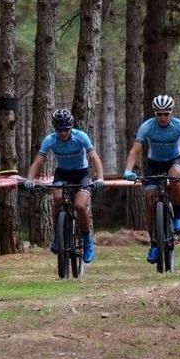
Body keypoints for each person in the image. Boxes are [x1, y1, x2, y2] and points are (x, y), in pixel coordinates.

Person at [122, 94, 180, 264]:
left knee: (175, 178)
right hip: (153, 163)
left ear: (171, 112)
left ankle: (178, 217)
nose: (163, 117)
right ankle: (154, 243)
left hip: (174, 160)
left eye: (166, 114)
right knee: (149, 200)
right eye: (159, 114)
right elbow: (135, 150)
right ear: (154, 113)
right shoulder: (147, 127)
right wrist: (128, 170)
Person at [23, 108, 105, 263]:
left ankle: (87, 241)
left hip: (81, 174)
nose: (63, 133)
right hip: (62, 173)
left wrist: (100, 178)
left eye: (66, 130)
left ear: (71, 127)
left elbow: (94, 158)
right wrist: (29, 179)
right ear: (55, 128)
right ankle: (58, 236)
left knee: (80, 206)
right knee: (57, 198)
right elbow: (38, 162)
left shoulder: (80, 137)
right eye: (59, 130)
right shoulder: (50, 140)